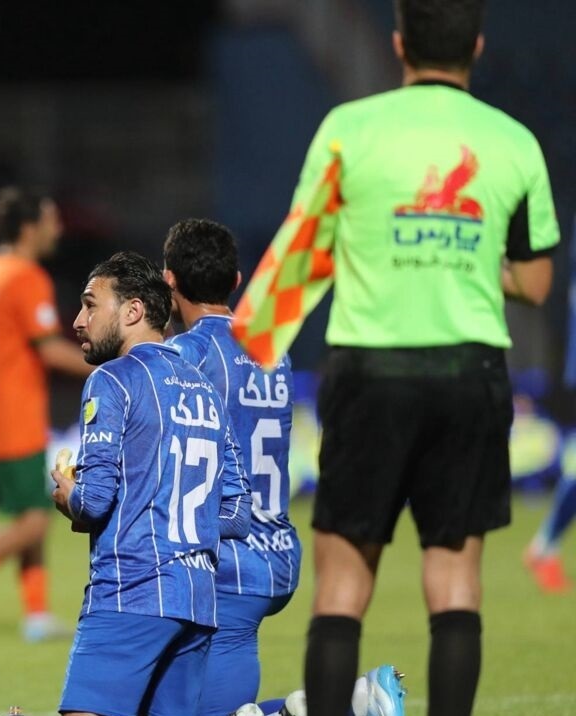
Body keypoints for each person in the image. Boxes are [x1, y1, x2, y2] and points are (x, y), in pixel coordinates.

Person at [274, 2, 561, 715]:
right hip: (470, 372)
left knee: (343, 585)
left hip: (370, 369)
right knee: (456, 583)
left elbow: (302, 248)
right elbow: (535, 282)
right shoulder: (515, 141)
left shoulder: (347, 128)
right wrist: (468, 262)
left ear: (400, 44)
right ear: (478, 47)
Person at [50, 251, 251, 716]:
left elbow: (94, 501)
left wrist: (69, 495)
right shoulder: (205, 389)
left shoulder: (113, 380)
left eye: (90, 305)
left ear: (133, 311)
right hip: (198, 601)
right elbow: (238, 513)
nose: (78, 320)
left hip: (132, 589)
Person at [162, 219, 302, 716]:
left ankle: (345, 707)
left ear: (169, 280)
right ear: (237, 280)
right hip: (278, 548)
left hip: (227, 559)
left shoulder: (187, 355)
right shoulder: (274, 350)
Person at [0, 186, 92, 642]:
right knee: (35, 520)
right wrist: (112, 366)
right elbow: (50, 349)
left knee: (31, 513)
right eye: (50, 219)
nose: (57, 229)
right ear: (29, 227)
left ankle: (36, 613)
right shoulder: (26, 276)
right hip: (12, 415)